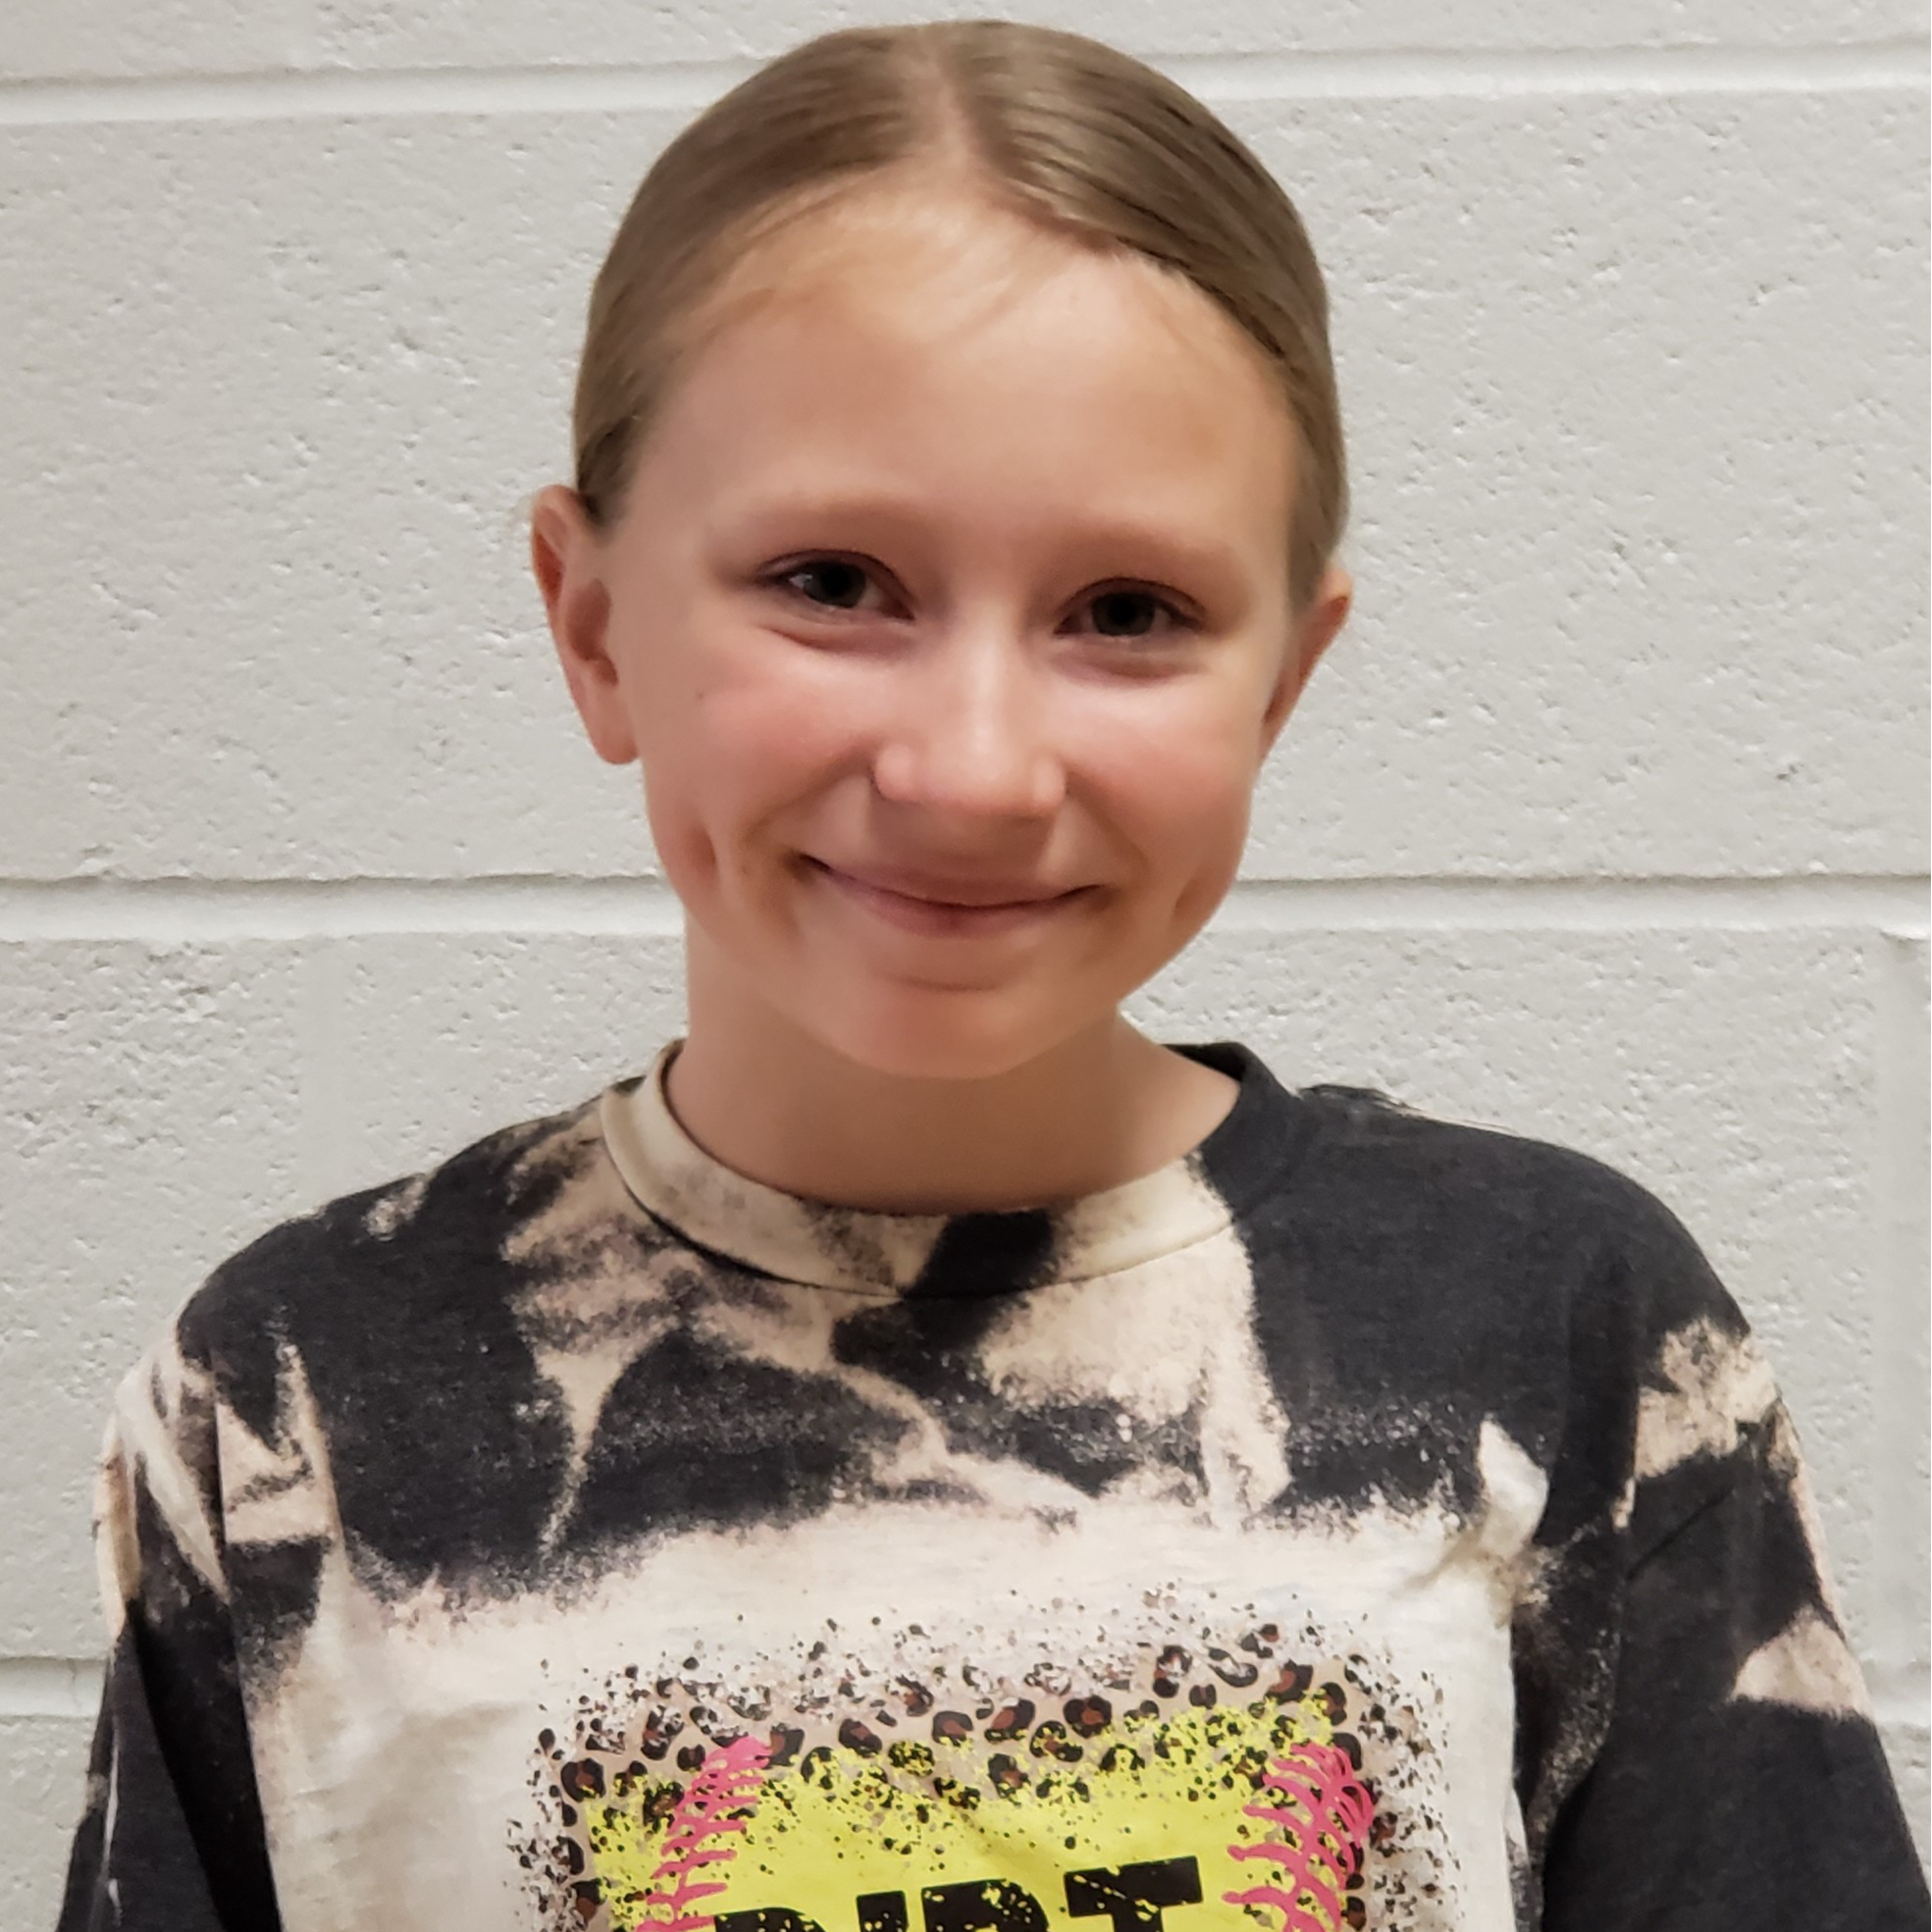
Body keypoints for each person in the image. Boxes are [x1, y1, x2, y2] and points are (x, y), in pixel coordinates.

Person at [54, 18, 1926, 1932]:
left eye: (1129, 613)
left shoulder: (1565, 1336)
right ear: (593, 622)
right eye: (835, 582)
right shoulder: (292, 1404)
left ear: (1283, 679)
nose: (971, 769)